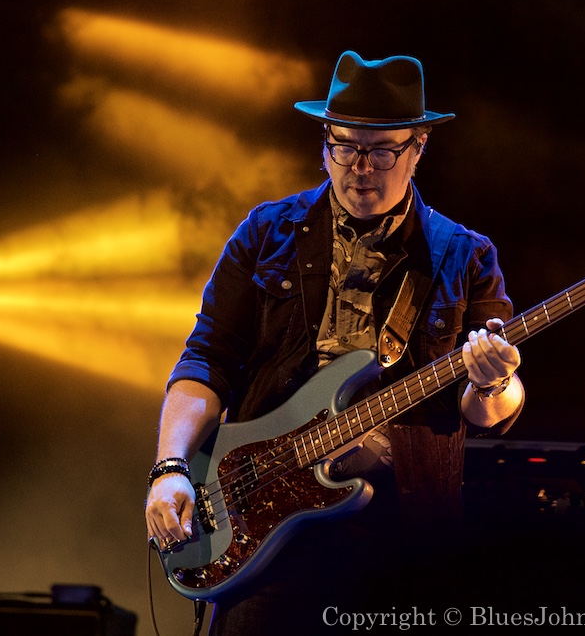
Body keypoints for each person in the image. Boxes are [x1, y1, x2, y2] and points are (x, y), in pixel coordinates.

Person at [145, 50, 526, 634]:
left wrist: (493, 381)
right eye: (344, 147)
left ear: (418, 147)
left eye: (381, 151)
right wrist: (170, 467)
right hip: (264, 531)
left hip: (403, 545)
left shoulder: (464, 255)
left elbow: (487, 414)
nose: (360, 168)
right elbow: (207, 358)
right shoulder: (265, 232)